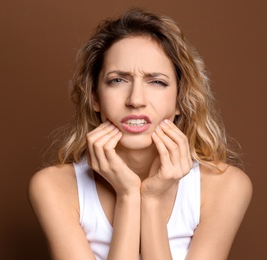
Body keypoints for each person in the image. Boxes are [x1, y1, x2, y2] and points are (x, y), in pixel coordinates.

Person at [28, 8, 252, 260]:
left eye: (157, 81)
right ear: (94, 97)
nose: (135, 100)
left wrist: (152, 199)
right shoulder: (53, 186)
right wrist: (128, 195)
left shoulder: (225, 186)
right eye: (117, 80)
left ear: (180, 99)